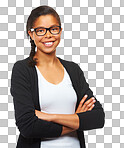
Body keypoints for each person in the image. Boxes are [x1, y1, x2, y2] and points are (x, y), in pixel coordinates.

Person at [10, 5, 105, 148]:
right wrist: (76, 119)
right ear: (31, 34)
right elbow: (27, 126)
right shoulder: (22, 69)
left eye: (53, 29)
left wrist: (49, 116)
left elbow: (97, 117)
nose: (48, 35)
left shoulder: (72, 69)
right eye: (41, 30)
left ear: (60, 31)